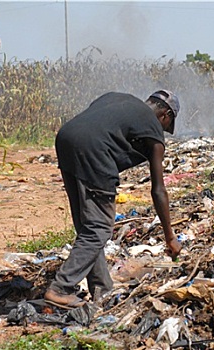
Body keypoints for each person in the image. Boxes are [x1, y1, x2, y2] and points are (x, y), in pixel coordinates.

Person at [44, 90, 182, 309]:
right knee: (99, 227)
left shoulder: (118, 98)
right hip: (94, 151)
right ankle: (61, 288)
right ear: (165, 115)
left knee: (88, 227)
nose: (163, 131)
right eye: (166, 125)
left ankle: (102, 290)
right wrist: (170, 237)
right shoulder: (154, 129)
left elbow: (93, 121)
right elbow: (158, 190)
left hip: (66, 138)